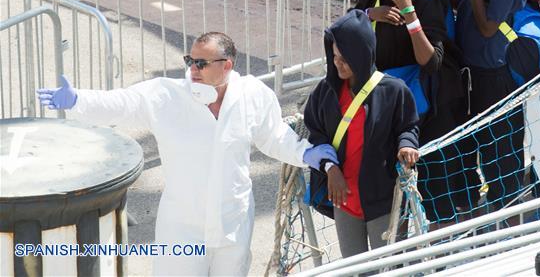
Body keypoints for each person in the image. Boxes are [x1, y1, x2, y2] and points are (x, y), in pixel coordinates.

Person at [37, 32, 334, 276]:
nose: (193, 69)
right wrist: (78, 99)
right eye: (190, 60)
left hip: (233, 222)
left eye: (201, 63)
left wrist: (305, 153)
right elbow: (122, 103)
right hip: (183, 227)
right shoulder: (167, 95)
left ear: (227, 65)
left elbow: (274, 136)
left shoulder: (251, 95)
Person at [353, 0, 466, 224]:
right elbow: (343, 31)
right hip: (376, 101)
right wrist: (370, 14)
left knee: (425, 187)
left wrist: (409, 14)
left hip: (416, 108)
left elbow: (431, 60)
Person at [303, 10, 420, 258]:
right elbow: (315, 134)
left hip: (383, 200)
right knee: (352, 267)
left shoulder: (394, 90)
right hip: (342, 199)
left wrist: (406, 144)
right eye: (334, 57)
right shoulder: (325, 92)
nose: (337, 63)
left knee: (387, 269)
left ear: (362, 54)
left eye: (345, 58)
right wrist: (330, 168)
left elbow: (408, 126)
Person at [453, 0, 529, 212]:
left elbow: (487, 27)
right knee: (467, 159)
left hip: (497, 78)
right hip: (467, 73)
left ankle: (511, 234)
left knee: (504, 170)